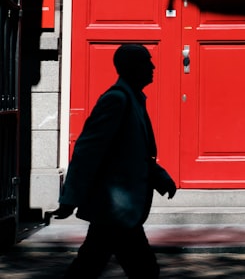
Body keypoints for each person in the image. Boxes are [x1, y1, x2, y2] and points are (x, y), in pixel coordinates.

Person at [52, 43, 177, 278]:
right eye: (146, 62)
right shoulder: (117, 100)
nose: (152, 66)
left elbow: (132, 153)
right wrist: (70, 198)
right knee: (142, 270)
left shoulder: (132, 99)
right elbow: (87, 152)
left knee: (91, 265)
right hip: (115, 208)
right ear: (131, 67)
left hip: (118, 210)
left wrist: (159, 176)